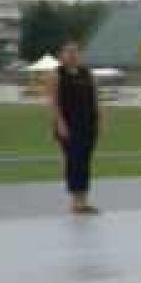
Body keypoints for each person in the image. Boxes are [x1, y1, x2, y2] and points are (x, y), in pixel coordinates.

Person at [45, 40, 102, 214]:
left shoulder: (87, 73)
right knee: (73, 161)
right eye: (68, 52)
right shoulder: (57, 75)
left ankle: (83, 200)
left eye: (75, 52)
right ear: (61, 55)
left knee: (85, 161)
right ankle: (75, 202)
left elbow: (95, 99)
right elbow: (53, 103)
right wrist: (60, 123)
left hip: (87, 123)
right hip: (68, 125)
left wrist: (99, 120)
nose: (72, 55)